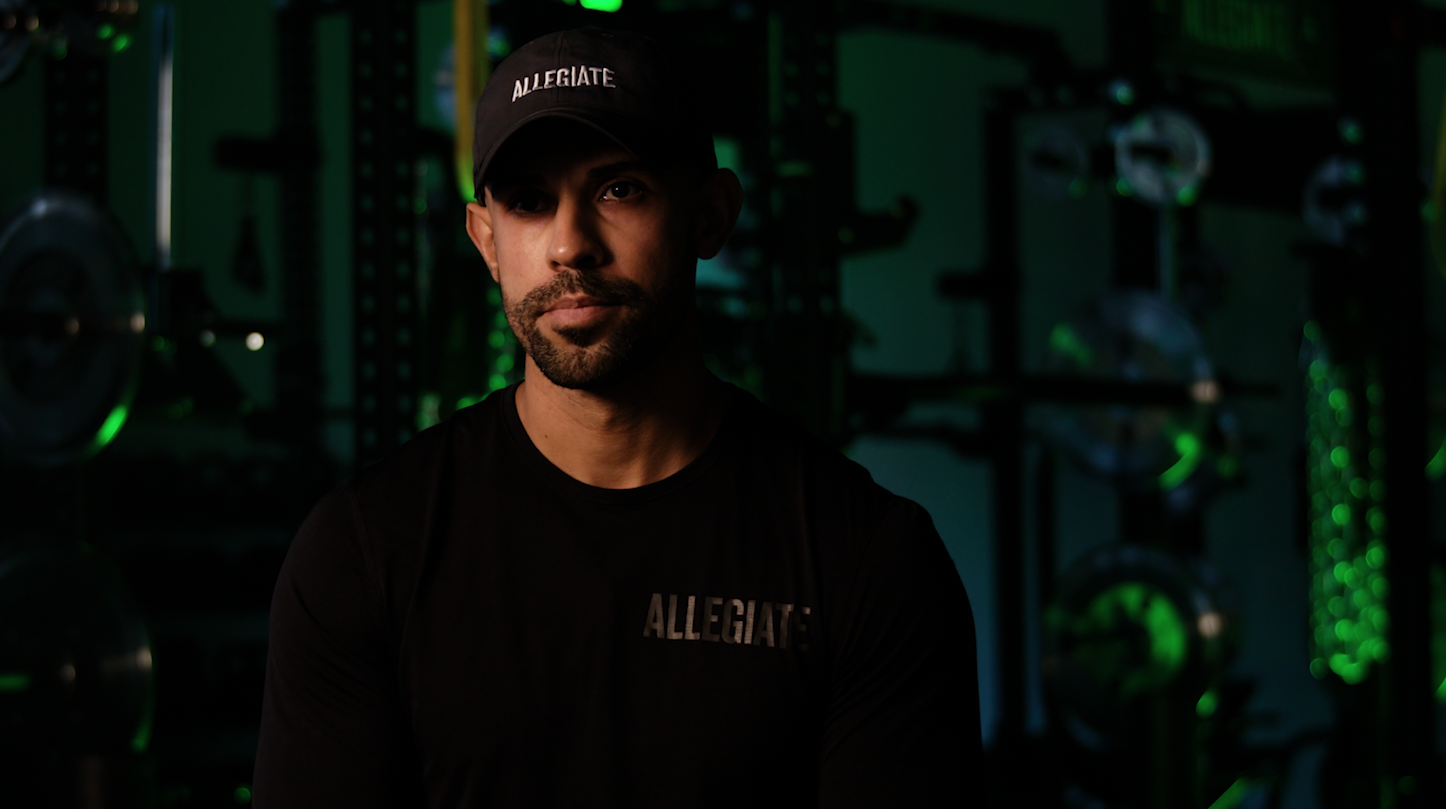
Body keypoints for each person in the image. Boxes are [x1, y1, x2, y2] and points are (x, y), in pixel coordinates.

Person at [253, 28, 981, 808]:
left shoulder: (867, 561)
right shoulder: (365, 554)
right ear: (486, 239)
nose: (570, 244)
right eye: (530, 201)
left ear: (710, 215)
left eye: (618, 189)